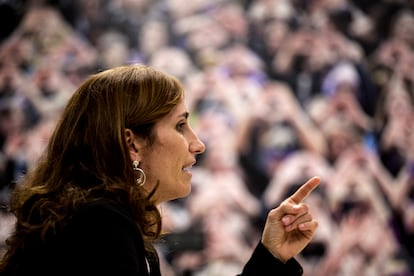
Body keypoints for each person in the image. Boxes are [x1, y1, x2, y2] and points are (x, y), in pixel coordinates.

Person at [0, 64, 320, 275]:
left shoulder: (93, 219)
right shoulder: (100, 227)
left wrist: (271, 256)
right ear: (132, 144)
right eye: (181, 125)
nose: (198, 144)